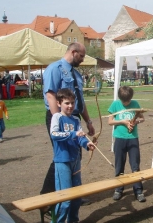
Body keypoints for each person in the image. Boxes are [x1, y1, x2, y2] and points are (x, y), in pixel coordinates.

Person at [41, 42, 95, 201]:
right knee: (62, 155)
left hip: (74, 117)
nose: (83, 59)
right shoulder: (54, 68)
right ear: (73, 52)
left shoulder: (76, 74)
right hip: (58, 117)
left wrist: (88, 121)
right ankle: (46, 198)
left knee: (76, 156)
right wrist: (59, 119)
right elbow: (50, 95)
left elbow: (80, 100)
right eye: (82, 56)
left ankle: (73, 194)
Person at [50, 88, 96, 223]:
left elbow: (80, 137)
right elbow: (54, 135)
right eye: (66, 103)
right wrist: (73, 134)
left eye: (72, 103)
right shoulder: (57, 117)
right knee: (65, 199)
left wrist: (87, 145)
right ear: (59, 103)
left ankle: (73, 220)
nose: (70, 106)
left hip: (76, 161)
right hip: (62, 161)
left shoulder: (76, 119)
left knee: (76, 196)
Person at [108, 86, 146, 202]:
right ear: (120, 98)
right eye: (124, 101)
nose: (126, 103)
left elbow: (142, 118)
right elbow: (110, 121)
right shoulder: (115, 105)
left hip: (133, 138)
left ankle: (138, 190)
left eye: (128, 100)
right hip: (119, 138)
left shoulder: (135, 104)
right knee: (119, 165)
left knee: (135, 165)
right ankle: (119, 189)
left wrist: (135, 122)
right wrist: (123, 122)